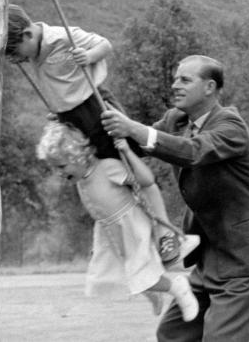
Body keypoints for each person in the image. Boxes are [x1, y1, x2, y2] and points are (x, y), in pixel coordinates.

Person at [102, 54, 249, 342]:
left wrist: (133, 129)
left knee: (220, 338)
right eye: (175, 78)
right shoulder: (176, 120)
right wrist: (83, 110)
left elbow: (191, 151)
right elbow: (132, 143)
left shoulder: (231, 126)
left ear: (210, 87)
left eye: (185, 80)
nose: (175, 85)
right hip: (211, 255)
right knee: (172, 333)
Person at [5, 4, 188, 264]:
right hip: (70, 118)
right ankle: (123, 236)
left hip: (96, 108)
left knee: (134, 172)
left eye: (15, 52)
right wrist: (59, 110)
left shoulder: (61, 36)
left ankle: (164, 233)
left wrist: (89, 57)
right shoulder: (31, 49)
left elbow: (104, 44)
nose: (17, 59)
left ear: (26, 35)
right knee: (95, 178)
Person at [36, 120, 199, 320]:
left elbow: (145, 181)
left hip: (131, 226)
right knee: (116, 277)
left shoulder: (107, 168)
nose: (59, 173)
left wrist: (128, 154)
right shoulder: (81, 182)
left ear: (77, 156)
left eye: (62, 166)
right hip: (112, 232)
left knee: (139, 273)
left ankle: (178, 288)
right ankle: (154, 293)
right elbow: (98, 211)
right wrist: (99, 244)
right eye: (55, 169)